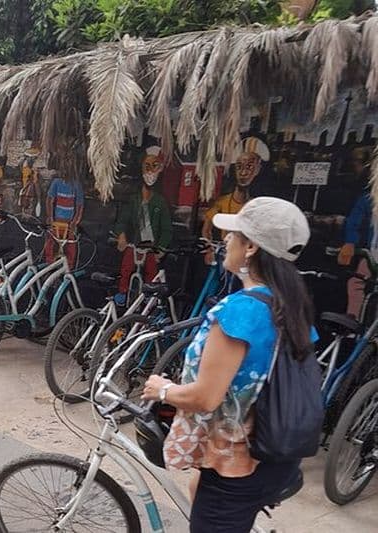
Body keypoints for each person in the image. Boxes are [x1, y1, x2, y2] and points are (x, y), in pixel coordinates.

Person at [142, 197, 316, 532]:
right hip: (275, 455)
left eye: (233, 234)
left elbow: (205, 398)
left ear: (250, 246)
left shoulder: (239, 311)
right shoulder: (289, 305)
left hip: (237, 465)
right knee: (198, 490)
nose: (225, 241)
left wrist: (162, 389)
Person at [113, 146, 172, 305]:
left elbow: (167, 229)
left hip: (151, 247)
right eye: (147, 166)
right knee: (126, 268)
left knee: (151, 273)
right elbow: (122, 220)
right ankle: (123, 292)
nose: (151, 171)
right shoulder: (134, 199)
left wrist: (161, 248)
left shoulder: (160, 202)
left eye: (155, 166)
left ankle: (149, 300)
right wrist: (121, 235)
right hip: (134, 245)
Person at [202, 136, 271, 242]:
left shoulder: (259, 207)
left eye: (249, 167)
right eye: (239, 167)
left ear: (258, 169)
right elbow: (206, 229)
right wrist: (209, 249)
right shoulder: (222, 202)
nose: (243, 173)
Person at [44, 170, 84, 268]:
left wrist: (75, 221)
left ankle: (68, 269)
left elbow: (79, 205)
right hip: (56, 220)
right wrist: (50, 217)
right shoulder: (56, 182)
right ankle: (49, 267)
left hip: (69, 223)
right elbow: (49, 200)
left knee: (70, 246)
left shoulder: (76, 185)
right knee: (51, 244)